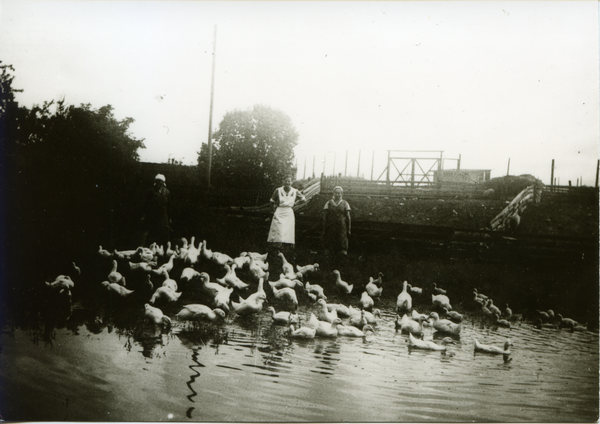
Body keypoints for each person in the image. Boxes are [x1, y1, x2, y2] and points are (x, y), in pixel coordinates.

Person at [267, 175, 306, 270]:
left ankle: (285, 254)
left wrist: (295, 204)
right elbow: (272, 201)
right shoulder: (278, 190)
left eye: (289, 181)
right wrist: (274, 210)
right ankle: (276, 253)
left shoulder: (295, 191)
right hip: (279, 212)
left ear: (291, 182)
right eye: (285, 181)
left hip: (289, 212)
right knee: (278, 232)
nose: (287, 183)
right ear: (283, 181)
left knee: (287, 234)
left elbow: (303, 199)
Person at [139, 174, 172, 248]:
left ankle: (163, 250)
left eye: (160, 182)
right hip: (153, 216)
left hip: (163, 217)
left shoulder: (167, 192)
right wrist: (144, 216)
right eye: (158, 182)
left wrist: (169, 217)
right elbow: (147, 204)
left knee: (163, 233)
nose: (159, 184)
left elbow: (169, 206)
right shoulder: (151, 191)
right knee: (153, 233)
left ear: (163, 183)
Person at [322, 186, 351, 255]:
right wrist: (324, 230)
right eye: (336, 193)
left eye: (339, 193)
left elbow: (348, 217)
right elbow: (324, 218)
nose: (337, 194)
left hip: (341, 228)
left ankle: (341, 261)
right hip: (330, 227)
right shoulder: (328, 203)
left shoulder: (345, 203)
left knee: (342, 247)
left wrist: (349, 229)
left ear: (341, 194)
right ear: (333, 193)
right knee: (329, 246)